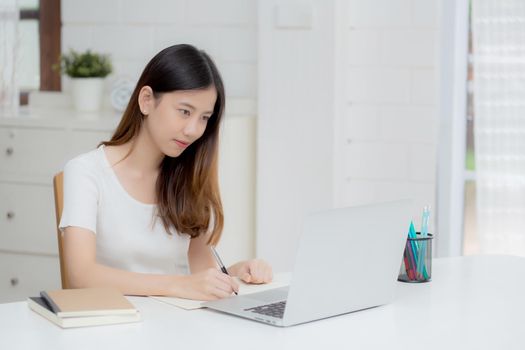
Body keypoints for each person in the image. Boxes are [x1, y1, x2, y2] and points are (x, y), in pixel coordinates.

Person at [59, 44, 272, 301]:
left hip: (174, 327)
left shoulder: (187, 177)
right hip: (112, 329)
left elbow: (201, 273)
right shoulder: (85, 173)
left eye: (204, 117)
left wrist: (237, 274)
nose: (193, 130)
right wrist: (178, 285)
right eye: (184, 111)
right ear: (147, 100)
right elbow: (80, 276)